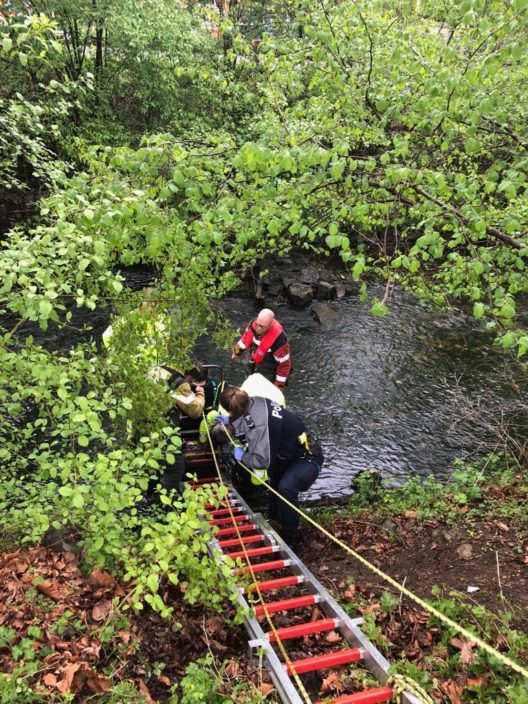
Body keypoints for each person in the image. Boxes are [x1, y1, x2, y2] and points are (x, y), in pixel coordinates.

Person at [219, 386, 323, 548]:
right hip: (287, 454)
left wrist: (242, 456)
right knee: (274, 484)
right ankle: (274, 519)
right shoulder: (257, 400)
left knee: (286, 488)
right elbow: (248, 417)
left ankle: (290, 536)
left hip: (306, 458)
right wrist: (230, 421)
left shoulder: (260, 427)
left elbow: (261, 461)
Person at [232, 308, 291, 388]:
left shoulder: (280, 341)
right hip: (253, 365)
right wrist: (236, 352)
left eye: (262, 327)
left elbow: (284, 365)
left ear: (270, 324)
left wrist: (278, 386)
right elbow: (244, 339)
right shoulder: (253, 325)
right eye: (258, 324)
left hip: (268, 372)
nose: (258, 328)